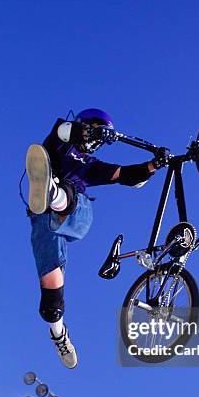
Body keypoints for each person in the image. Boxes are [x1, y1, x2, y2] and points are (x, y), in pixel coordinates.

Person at [26, 108, 164, 369]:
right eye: (91, 128)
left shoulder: (90, 166)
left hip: (73, 211)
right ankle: (58, 331)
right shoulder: (59, 143)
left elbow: (126, 176)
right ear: (82, 124)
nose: (94, 137)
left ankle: (54, 193)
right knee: (52, 296)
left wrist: (153, 165)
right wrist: (85, 129)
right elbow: (62, 131)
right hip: (43, 219)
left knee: (76, 202)